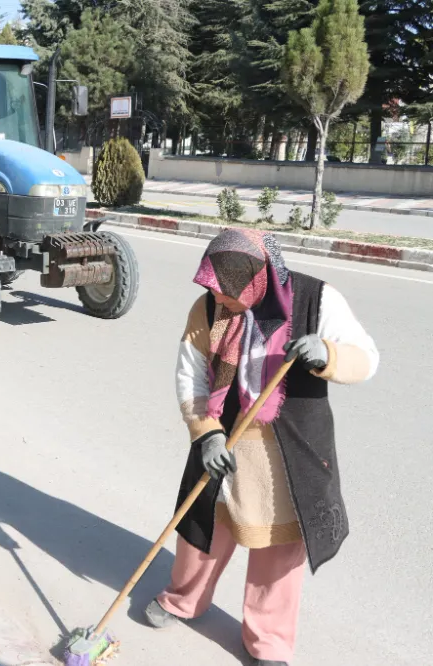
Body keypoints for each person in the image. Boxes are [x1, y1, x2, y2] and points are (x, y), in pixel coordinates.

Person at [147, 229, 378, 666]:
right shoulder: (211, 306)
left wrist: (327, 352)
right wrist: (206, 431)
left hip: (288, 452)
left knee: (278, 549)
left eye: (230, 292)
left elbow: (366, 357)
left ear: (259, 279)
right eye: (214, 289)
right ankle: (182, 600)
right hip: (224, 440)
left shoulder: (317, 300)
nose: (222, 300)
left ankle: (268, 641)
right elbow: (190, 373)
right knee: (201, 532)